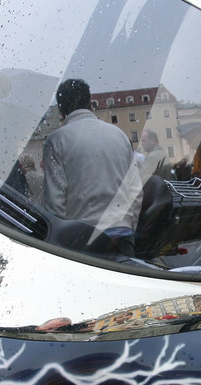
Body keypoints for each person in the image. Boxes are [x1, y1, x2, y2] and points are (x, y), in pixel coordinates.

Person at [42, 78, 139, 257]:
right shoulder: (119, 135)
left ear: (61, 109)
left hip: (82, 242)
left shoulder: (56, 141)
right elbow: (135, 190)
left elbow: (55, 205)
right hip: (121, 235)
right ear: (90, 103)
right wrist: (128, 225)